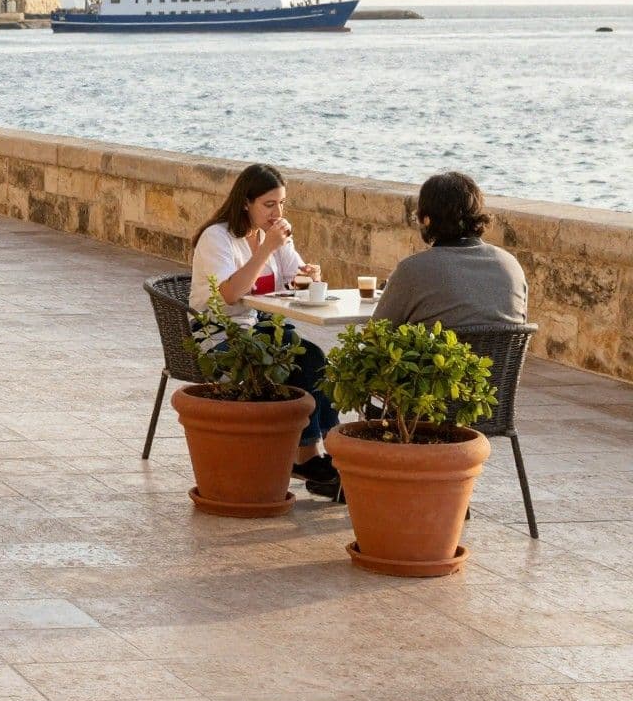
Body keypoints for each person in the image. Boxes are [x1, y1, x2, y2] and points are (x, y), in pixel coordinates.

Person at [189, 163, 341, 497]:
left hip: (262, 329)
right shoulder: (218, 237)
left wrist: (309, 276)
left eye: (282, 204)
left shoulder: (274, 235)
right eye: (269, 205)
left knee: (312, 356)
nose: (277, 212)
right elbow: (230, 293)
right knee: (298, 356)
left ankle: (332, 452)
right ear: (247, 202)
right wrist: (266, 249)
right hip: (220, 335)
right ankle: (306, 454)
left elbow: (292, 277)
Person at [374, 172, 529, 328]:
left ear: (427, 220)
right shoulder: (511, 265)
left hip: (440, 353)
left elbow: (376, 333)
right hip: (501, 353)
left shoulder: (412, 270)